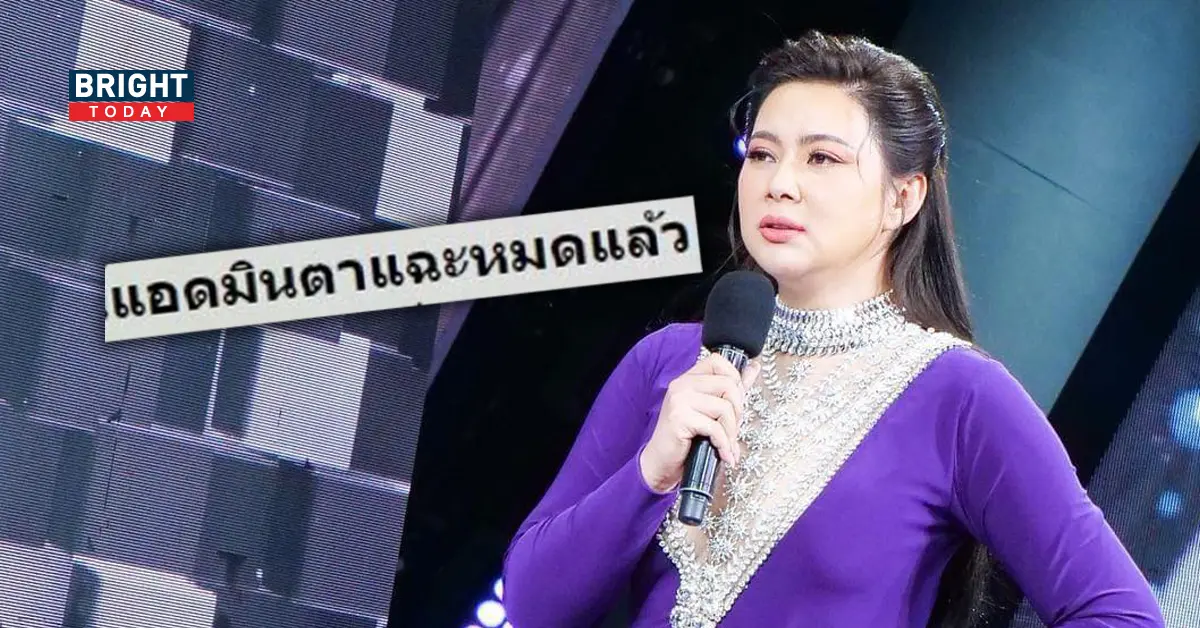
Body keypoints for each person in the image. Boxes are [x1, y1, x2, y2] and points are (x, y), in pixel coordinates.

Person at [501, 30, 1165, 627]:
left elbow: (1121, 615)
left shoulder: (958, 397)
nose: (779, 183)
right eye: (762, 154)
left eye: (821, 159)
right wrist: (650, 471)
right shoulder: (668, 362)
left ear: (903, 197)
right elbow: (533, 606)